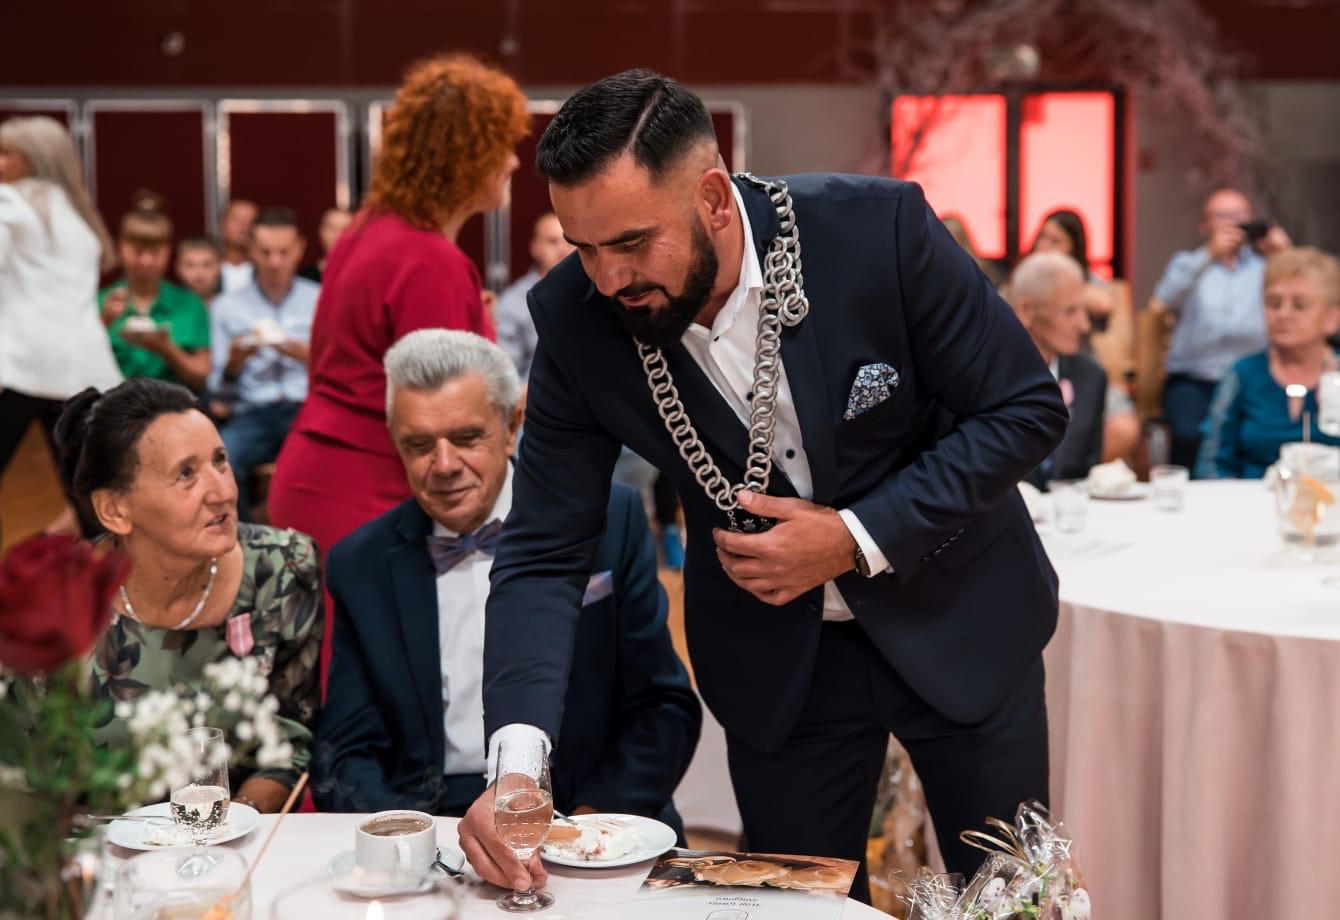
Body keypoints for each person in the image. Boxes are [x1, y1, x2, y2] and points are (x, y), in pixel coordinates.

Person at [460, 71, 1068, 903]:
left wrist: (854, 537)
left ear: (713, 198)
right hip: (779, 669)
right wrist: (518, 765)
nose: (607, 279)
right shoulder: (576, 320)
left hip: (959, 615)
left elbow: (1024, 408)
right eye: (584, 248)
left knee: (1009, 902)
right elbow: (543, 549)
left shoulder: (876, 231)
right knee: (796, 914)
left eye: (631, 242)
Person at [312, 330, 700, 826]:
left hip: (585, 805)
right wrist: (411, 839)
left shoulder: (607, 520)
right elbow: (346, 749)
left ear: (513, 425)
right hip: (434, 819)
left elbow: (663, 706)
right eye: (419, 445)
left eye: (467, 438)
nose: (444, 465)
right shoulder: (361, 564)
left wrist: (590, 823)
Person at [267, 53, 526, 678]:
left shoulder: (371, 230)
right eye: (504, 146)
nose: (515, 162)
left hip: (318, 470)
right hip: (369, 486)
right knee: (378, 685)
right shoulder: (429, 259)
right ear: (468, 154)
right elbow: (445, 409)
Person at [56, 377, 321, 812]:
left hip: (235, 836)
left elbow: (290, 741)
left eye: (221, 461)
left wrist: (223, 828)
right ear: (115, 510)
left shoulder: (282, 568)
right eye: (186, 474)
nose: (224, 492)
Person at [0, 115, 123, 593]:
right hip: (81, 371)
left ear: (31, 158)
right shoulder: (79, 214)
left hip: (16, 366)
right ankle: (118, 599)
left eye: (5, 153)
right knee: (89, 493)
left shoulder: (4, 200)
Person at [1148, 187, 1292, 472]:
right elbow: (1161, 301)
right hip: (1194, 378)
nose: (1231, 224)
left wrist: (1285, 255)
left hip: (1251, 379)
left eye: (1238, 216)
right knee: (1189, 437)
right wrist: (1208, 255)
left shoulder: (1266, 267)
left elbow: (1305, 293)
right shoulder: (1188, 263)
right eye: (1221, 216)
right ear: (1204, 224)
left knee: (1259, 437)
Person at [208, 208, 317, 522]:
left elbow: (340, 373)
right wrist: (233, 364)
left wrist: (311, 358)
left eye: (283, 252)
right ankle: (241, 544)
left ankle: (321, 542)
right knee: (224, 460)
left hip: (306, 407)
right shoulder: (227, 306)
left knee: (335, 458)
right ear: (251, 251)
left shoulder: (318, 299)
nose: (275, 262)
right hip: (254, 410)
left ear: (299, 249)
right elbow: (218, 394)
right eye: (266, 252)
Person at [1198, 247, 1340, 479]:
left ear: (1331, 318)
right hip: (1249, 497)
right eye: (1274, 303)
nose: (1283, 314)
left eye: (1300, 305)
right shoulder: (1243, 373)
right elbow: (1210, 464)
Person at [1031, 209, 1139, 464]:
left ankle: (1078, 472)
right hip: (1035, 369)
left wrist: (1059, 277)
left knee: (1124, 426)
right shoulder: (1024, 278)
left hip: (1082, 373)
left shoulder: (1086, 280)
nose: (1046, 246)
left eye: (1056, 241)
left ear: (1074, 247)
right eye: (1043, 238)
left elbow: (1104, 304)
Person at [1009, 253, 1106, 487]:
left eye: (1084, 310)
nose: (1084, 325)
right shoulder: (988, 379)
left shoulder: (1091, 378)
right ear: (1026, 310)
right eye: (1070, 311)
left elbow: (1087, 471)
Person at [98, 201, 210, 390]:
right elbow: (76, 368)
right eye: (138, 251)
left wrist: (167, 349)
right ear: (121, 247)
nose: (146, 261)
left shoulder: (190, 304)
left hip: (174, 403)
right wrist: (104, 322)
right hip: (112, 402)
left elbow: (203, 378)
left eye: (155, 252)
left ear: (168, 251)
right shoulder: (100, 303)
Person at [496, 212, 574, 380]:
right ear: (535, 248)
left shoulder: (598, 292)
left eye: (569, 241)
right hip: (534, 391)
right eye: (552, 241)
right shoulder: (513, 303)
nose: (563, 249)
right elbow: (504, 376)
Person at [298, 207, 353, 284]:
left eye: (344, 230)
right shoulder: (304, 278)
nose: (337, 235)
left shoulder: (362, 275)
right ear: (320, 231)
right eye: (331, 228)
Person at [217, 199, 258, 294]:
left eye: (251, 222)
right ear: (222, 225)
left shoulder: (269, 270)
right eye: (237, 220)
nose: (244, 227)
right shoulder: (207, 269)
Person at [176, 235, 223, 303]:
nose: (199, 272)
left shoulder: (233, 304)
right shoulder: (167, 305)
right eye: (190, 265)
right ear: (178, 268)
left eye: (206, 265)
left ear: (219, 267)